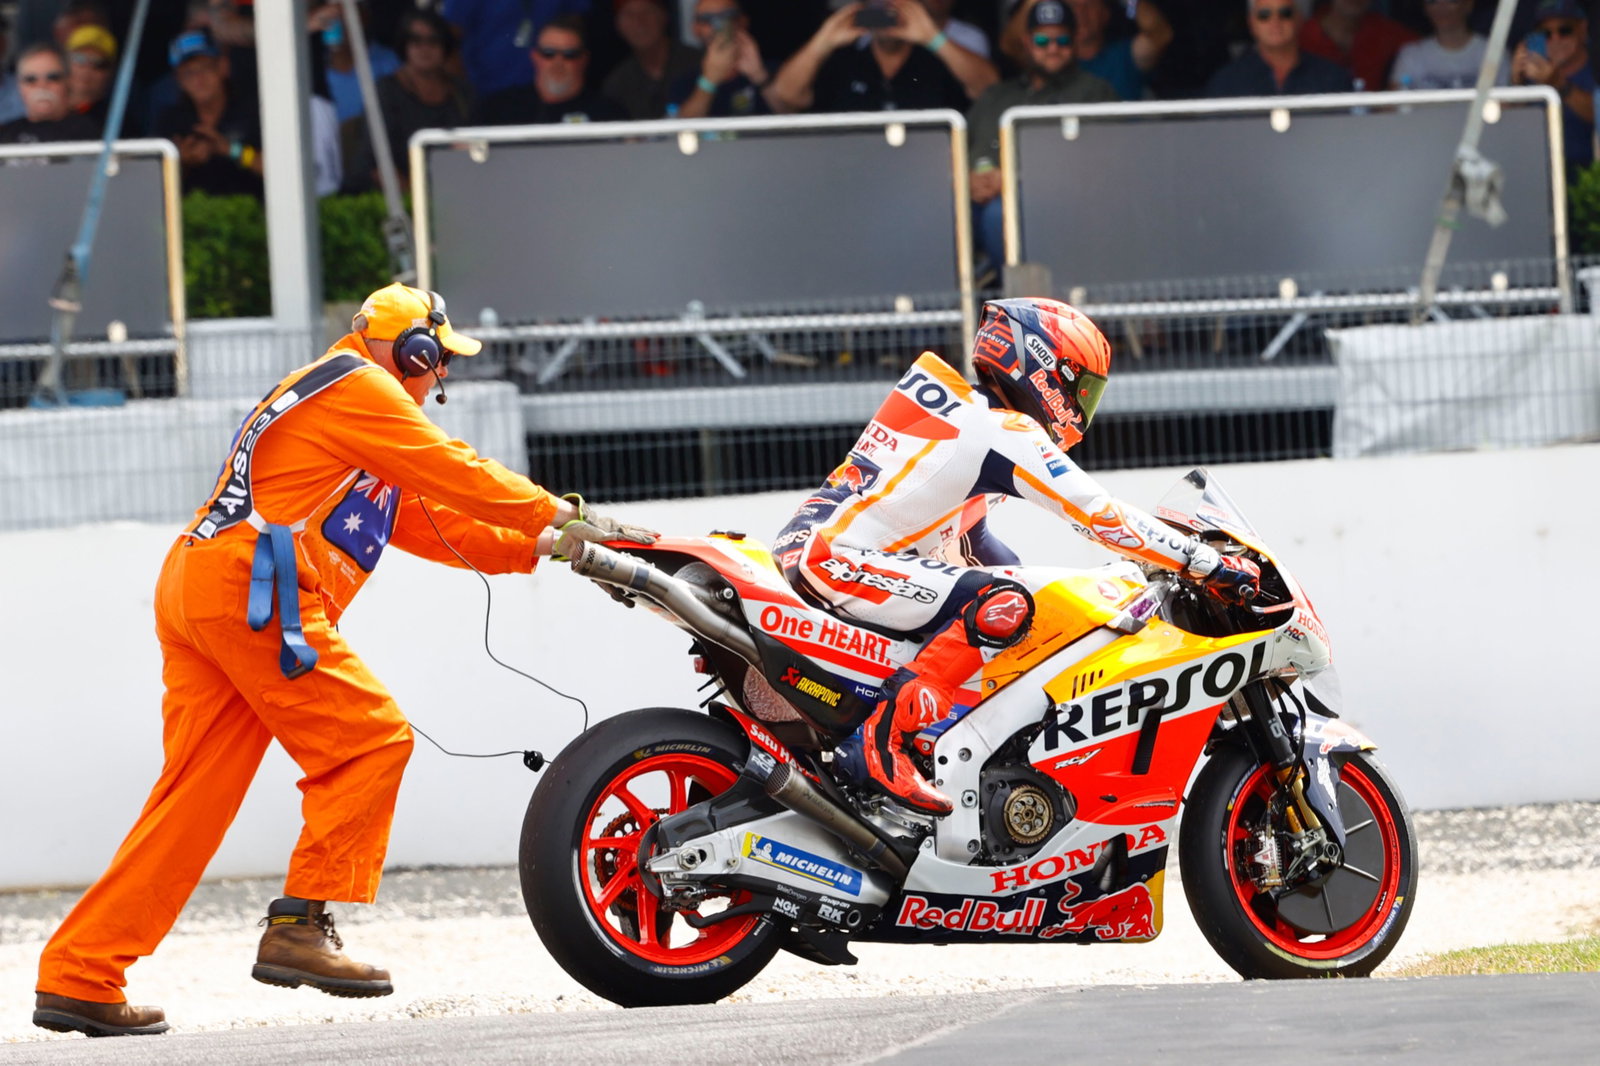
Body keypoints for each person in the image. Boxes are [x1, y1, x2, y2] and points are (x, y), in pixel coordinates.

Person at [31, 283, 658, 1039]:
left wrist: (549, 547)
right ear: (413, 353)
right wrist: (566, 514)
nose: (443, 380)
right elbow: (457, 469)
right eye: (439, 363)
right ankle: (300, 926)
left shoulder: (352, 417)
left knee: (189, 803)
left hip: (206, 586)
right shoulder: (360, 384)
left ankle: (79, 973)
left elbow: (436, 522)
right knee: (370, 740)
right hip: (252, 592)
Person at [775, 299, 1261, 815]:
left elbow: (979, 548)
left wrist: (1060, 599)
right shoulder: (1001, 430)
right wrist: (1203, 560)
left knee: (1012, 602)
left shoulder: (964, 417)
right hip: (836, 560)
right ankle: (881, 746)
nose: (1081, 408)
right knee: (1004, 602)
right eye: (1081, 389)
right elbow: (1100, 516)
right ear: (1045, 364)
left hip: (821, 553)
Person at [966, 2, 1117, 272]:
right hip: (974, 206)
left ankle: (1018, 301)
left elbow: (1099, 166)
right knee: (933, 212)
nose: (1052, 48)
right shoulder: (996, 96)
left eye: (1062, 40)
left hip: (1058, 211)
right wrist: (967, 180)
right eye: (1042, 40)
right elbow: (956, 154)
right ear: (1026, 42)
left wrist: (1011, 180)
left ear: (1075, 41)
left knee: (998, 214)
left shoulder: (1094, 93)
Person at [769, 0, 994, 114]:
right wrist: (823, 41)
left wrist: (931, 35)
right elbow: (786, 95)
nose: (886, 8)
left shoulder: (937, 59)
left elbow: (990, 89)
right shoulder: (843, 60)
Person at [345, 8, 475, 192]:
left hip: (450, 193)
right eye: (415, 41)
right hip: (388, 197)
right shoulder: (386, 91)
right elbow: (377, 163)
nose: (425, 48)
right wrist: (414, 201)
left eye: (433, 41)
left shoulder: (462, 92)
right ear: (404, 45)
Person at [152, 28, 262, 197]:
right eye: (189, 73)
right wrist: (182, 162)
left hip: (255, 218)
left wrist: (231, 150)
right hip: (193, 220)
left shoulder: (254, 110)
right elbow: (152, 187)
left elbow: (283, 173)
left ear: (224, 67)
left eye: (205, 68)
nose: (199, 79)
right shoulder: (171, 120)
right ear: (178, 80)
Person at [477, 14, 627, 124]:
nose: (558, 61)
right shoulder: (499, 108)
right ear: (535, 57)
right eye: (548, 53)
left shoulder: (607, 113)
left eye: (570, 54)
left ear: (583, 59)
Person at [1511, 0, 1593, 178]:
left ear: (1582, 29)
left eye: (1565, 30)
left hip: (1588, 180)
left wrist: (1558, 84)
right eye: (1546, 33)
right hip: (1539, 176)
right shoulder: (1533, 74)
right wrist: (1516, 84)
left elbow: (1595, 113)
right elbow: (1504, 129)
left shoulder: (1595, 68)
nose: (1555, 39)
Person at [1206, 0, 1354, 96]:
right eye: (1264, 15)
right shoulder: (1226, 83)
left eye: (1285, 13)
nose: (1275, 21)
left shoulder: (1333, 79)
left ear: (1300, 19)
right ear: (1251, 23)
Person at [668, 0, 776, 118]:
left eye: (727, 16)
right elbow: (681, 128)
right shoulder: (684, 82)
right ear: (696, 29)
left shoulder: (771, 71)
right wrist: (709, 81)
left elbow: (789, 115)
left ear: (743, 21)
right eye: (707, 18)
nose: (718, 26)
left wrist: (759, 77)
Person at [602, 0, 703, 120]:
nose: (639, 22)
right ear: (618, 25)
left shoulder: (699, 63)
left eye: (647, 12)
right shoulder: (617, 83)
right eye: (629, 15)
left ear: (664, 16)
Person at [310, 1, 401, 124]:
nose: (340, 21)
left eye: (347, 14)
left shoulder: (389, 63)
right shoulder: (310, 68)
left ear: (364, 16)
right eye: (332, 16)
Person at [1389, 0, 1510, 90]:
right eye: (1433, 1)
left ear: (1469, 4)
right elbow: (1393, 106)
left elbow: (1507, 105)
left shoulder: (1492, 52)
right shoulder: (1411, 55)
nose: (1442, 7)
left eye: (1451, 0)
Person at [1299, 0, 1419, 90]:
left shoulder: (1384, 31)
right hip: (1315, 118)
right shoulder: (1300, 35)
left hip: (1372, 119)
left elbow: (1427, 48)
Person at [0, 43, 102, 144]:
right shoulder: (5, 135)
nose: (42, 86)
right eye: (30, 79)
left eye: (53, 77)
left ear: (68, 81)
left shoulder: (92, 132)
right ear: (19, 86)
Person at [63, 24, 116, 131]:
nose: (87, 69)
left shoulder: (115, 121)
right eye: (79, 59)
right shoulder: (46, 111)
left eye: (99, 64)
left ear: (110, 73)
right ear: (63, 62)